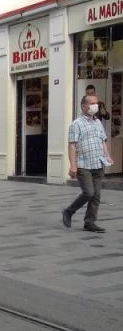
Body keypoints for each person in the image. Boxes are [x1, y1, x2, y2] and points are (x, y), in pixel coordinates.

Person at [62, 94, 114, 233]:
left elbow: (103, 140)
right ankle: (69, 211)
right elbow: (72, 145)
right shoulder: (76, 124)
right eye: (92, 103)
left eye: (96, 103)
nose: (95, 106)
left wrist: (107, 156)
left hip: (98, 163)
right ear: (84, 106)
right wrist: (73, 165)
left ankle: (90, 222)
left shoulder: (98, 122)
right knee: (88, 192)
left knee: (96, 195)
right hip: (83, 165)